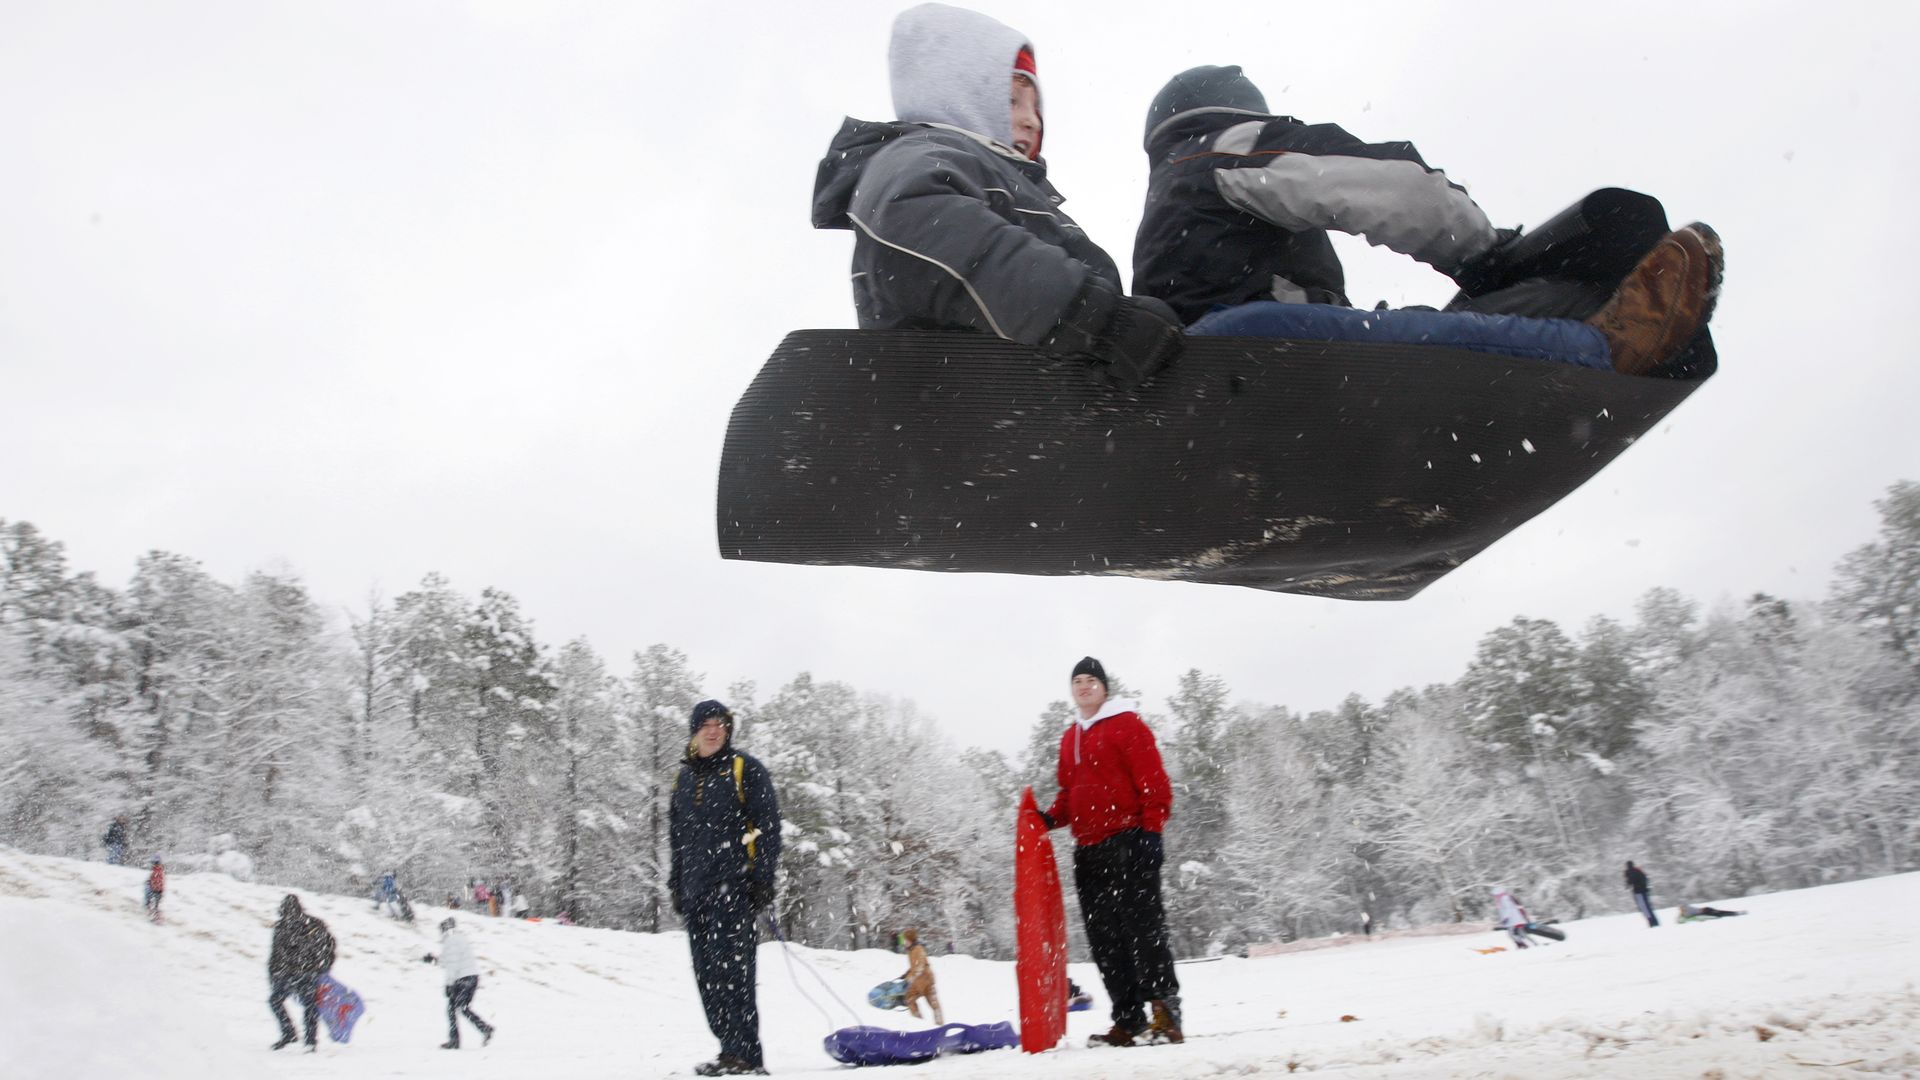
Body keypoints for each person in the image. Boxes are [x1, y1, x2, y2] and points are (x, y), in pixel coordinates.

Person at [1135, 65, 1724, 378]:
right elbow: (1386, 187)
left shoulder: (1168, 199)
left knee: (1419, 326)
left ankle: (1589, 316)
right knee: (1440, 341)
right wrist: (1482, 253)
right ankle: (1605, 340)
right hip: (1266, 354)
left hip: (1205, 376)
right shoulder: (1219, 152)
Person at [811, 3, 1184, 392]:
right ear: (954, 90)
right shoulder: (921, 153)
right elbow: (911, 219)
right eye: (1011, 100)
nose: (1032, 120)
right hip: (971, 414)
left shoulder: (1001, 180)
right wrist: (1098, 318)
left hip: (1029, 417)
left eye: (1035, 106)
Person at [1039, 657, 1182, 1046]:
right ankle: (1128, 1019)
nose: (1084, 686)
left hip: (1130, 840)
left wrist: (1151, 833)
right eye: (1077, 681)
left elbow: (1153, 781)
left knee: (1144, 930)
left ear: (1104, 687)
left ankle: (1165, 1016)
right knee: (1106, 939)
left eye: (1091, 680)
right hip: (1088, 849)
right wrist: (1049, 820)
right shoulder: (1071, 737)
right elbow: (1070, 793)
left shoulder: (1127, 725)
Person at [669, 699, 782, 1077]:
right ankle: (728, 1051)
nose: (713, 730)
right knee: (708, 977)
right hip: (696, 892)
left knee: (735, 975)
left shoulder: (745, 769)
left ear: (728, 730)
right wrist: (676, 882)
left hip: (733, 888)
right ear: (695, 730)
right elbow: (678, 834)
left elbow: (768, 825)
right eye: (706, 724)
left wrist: (762, 879)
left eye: (720, 724)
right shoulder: (684, 777)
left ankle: (748, 1057)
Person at [268, 894, 336, 1052]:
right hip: (303, 972)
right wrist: (324, 967)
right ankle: (308, 1040)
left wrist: (274, 973)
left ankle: (294, 1034)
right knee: (309, 1005)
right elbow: (329, 946)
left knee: (279, 1001)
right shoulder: (313, 924)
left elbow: (276, 954)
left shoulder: (289, 926)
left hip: (297, 973)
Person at [422, 917, 494, 1049]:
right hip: (470, 977)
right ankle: (483, 1029)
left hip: (463, 979)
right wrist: (433, 959)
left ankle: (458, 1039)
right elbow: (446, 960)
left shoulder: (451, 941)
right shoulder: (458, 939)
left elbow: (452, 965)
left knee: (455, 1008)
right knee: (461, 1008)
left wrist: (449, 984)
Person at [896, 928, 944, 1024]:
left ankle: (940, 1025)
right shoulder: (911, 951)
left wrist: (911, 977)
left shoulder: (918, 949)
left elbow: (920, 966)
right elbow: (914, 967)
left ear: (911, 940)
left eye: (905, 940)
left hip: (926, 981)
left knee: (934, 1004)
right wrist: (906, 974)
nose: (904, 942)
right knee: (909, 999)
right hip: (918, 983)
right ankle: (919, 1023)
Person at [1625, 861, 1659, 928]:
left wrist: (1629, 884)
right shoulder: (1636, 870)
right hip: (1641, 891)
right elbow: (1645, 878)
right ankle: (1653, 922)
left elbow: (1630, 881)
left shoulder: (1631, 872)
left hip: (1639, 892)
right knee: (1646, 907)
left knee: (1644, 907)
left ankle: (1652, 922)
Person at [144, 857, 165, 922]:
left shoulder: (156, 871)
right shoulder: (159, 871)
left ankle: (156, 918)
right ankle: (156, 917)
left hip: (156, 890)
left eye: (155, 863)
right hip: (158, 890)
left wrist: (151, 883)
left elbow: (156, 880)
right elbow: (156, 880)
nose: (154, 865)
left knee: (154, 904)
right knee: (155, 904)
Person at [1678, 902, 1746, 920]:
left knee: (1720, 913)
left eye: (1680, 908)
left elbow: (1685, 918)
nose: (1680, 910)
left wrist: (1681, 914)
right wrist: (1681, 913)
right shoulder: (1688, 908)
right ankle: (1736, 913)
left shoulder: (1687, 911)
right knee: (1720, 913)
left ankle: (1735, 913)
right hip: (1706, 909)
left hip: (1705, 911)